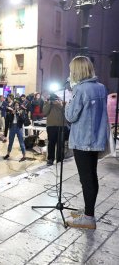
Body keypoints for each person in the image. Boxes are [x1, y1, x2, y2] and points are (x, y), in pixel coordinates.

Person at [65, 56, 108, 229]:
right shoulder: (101, 88)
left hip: (82, 140)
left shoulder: (80, 90)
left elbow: (70, 116)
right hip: (96, 138)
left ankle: (89, 218)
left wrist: (69, 98)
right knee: (92, 176)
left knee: (86, 179)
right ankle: (88, 210)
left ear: (76, 70)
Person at [43, 93, 68, 166]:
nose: (54, 101)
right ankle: (50, 159)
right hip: (51, 126)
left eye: (55, 99)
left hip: (61, 126)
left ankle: (60, 159)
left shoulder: (62, 103)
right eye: (52, 99)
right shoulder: (47, 103)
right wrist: (50, 103)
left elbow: (65, 111)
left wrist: (59, 103)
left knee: (61, 143)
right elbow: (45, 112)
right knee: (51, 143)